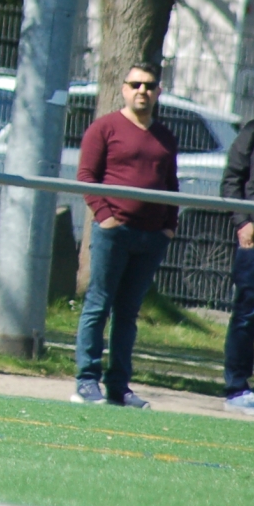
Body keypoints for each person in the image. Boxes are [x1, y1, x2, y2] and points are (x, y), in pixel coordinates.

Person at [73, 62, 179, 409]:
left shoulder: (165, 136)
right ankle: (87, 381)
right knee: (98, 304)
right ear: (124, 89)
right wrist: (105, 218)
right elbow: (86, 177)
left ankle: (118, 386)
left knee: (128, 313)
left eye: (149, 85)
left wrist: (168, 226)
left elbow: (171, 185)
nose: (142, 91)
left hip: (151, 238)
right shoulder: (104, 128)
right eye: (135, 85)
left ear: (158, 92)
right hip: (114, 234)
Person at [221, 117, 254, 416]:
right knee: (247, 313)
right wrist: (243, 221)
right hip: (253, 240)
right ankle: (237, 388)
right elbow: (232, 180)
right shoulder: (251, 132)